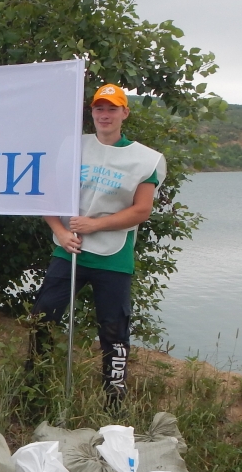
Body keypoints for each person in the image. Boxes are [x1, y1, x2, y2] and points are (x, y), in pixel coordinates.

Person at [31, 83, 166, 404]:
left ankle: (113, 396)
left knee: (113, 329)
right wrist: (61, 233)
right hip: (69, 249)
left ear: (124, 113)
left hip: (113, 255)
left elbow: (141, 210)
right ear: (91, 112)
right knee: (43, 316)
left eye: (112, 108)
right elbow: (46, 195)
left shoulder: (146, 159)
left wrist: (96, 224)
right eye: (99, 108)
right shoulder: (71, 147)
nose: (104, 115)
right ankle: (34, 386)